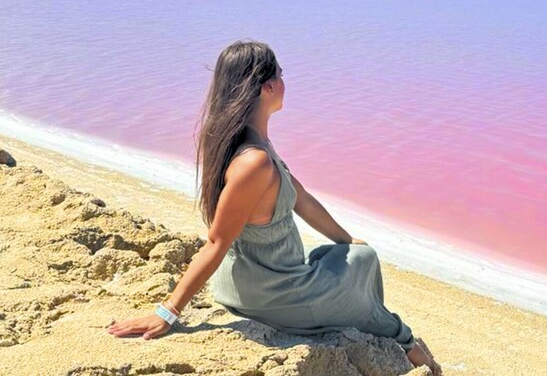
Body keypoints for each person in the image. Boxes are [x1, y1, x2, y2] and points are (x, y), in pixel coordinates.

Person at [106, 39, 442, 375]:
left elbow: (303, 199)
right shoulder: (255, 163)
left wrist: (346, 240)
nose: (284, 82)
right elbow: (216, 242)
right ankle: (408, 345)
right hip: (273, 294)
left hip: (252, 279)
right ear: (269, 86)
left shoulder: (239, 140)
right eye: (281, 75)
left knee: (354, 254)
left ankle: (387, 329)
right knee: (364, 265)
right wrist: (167, 312)